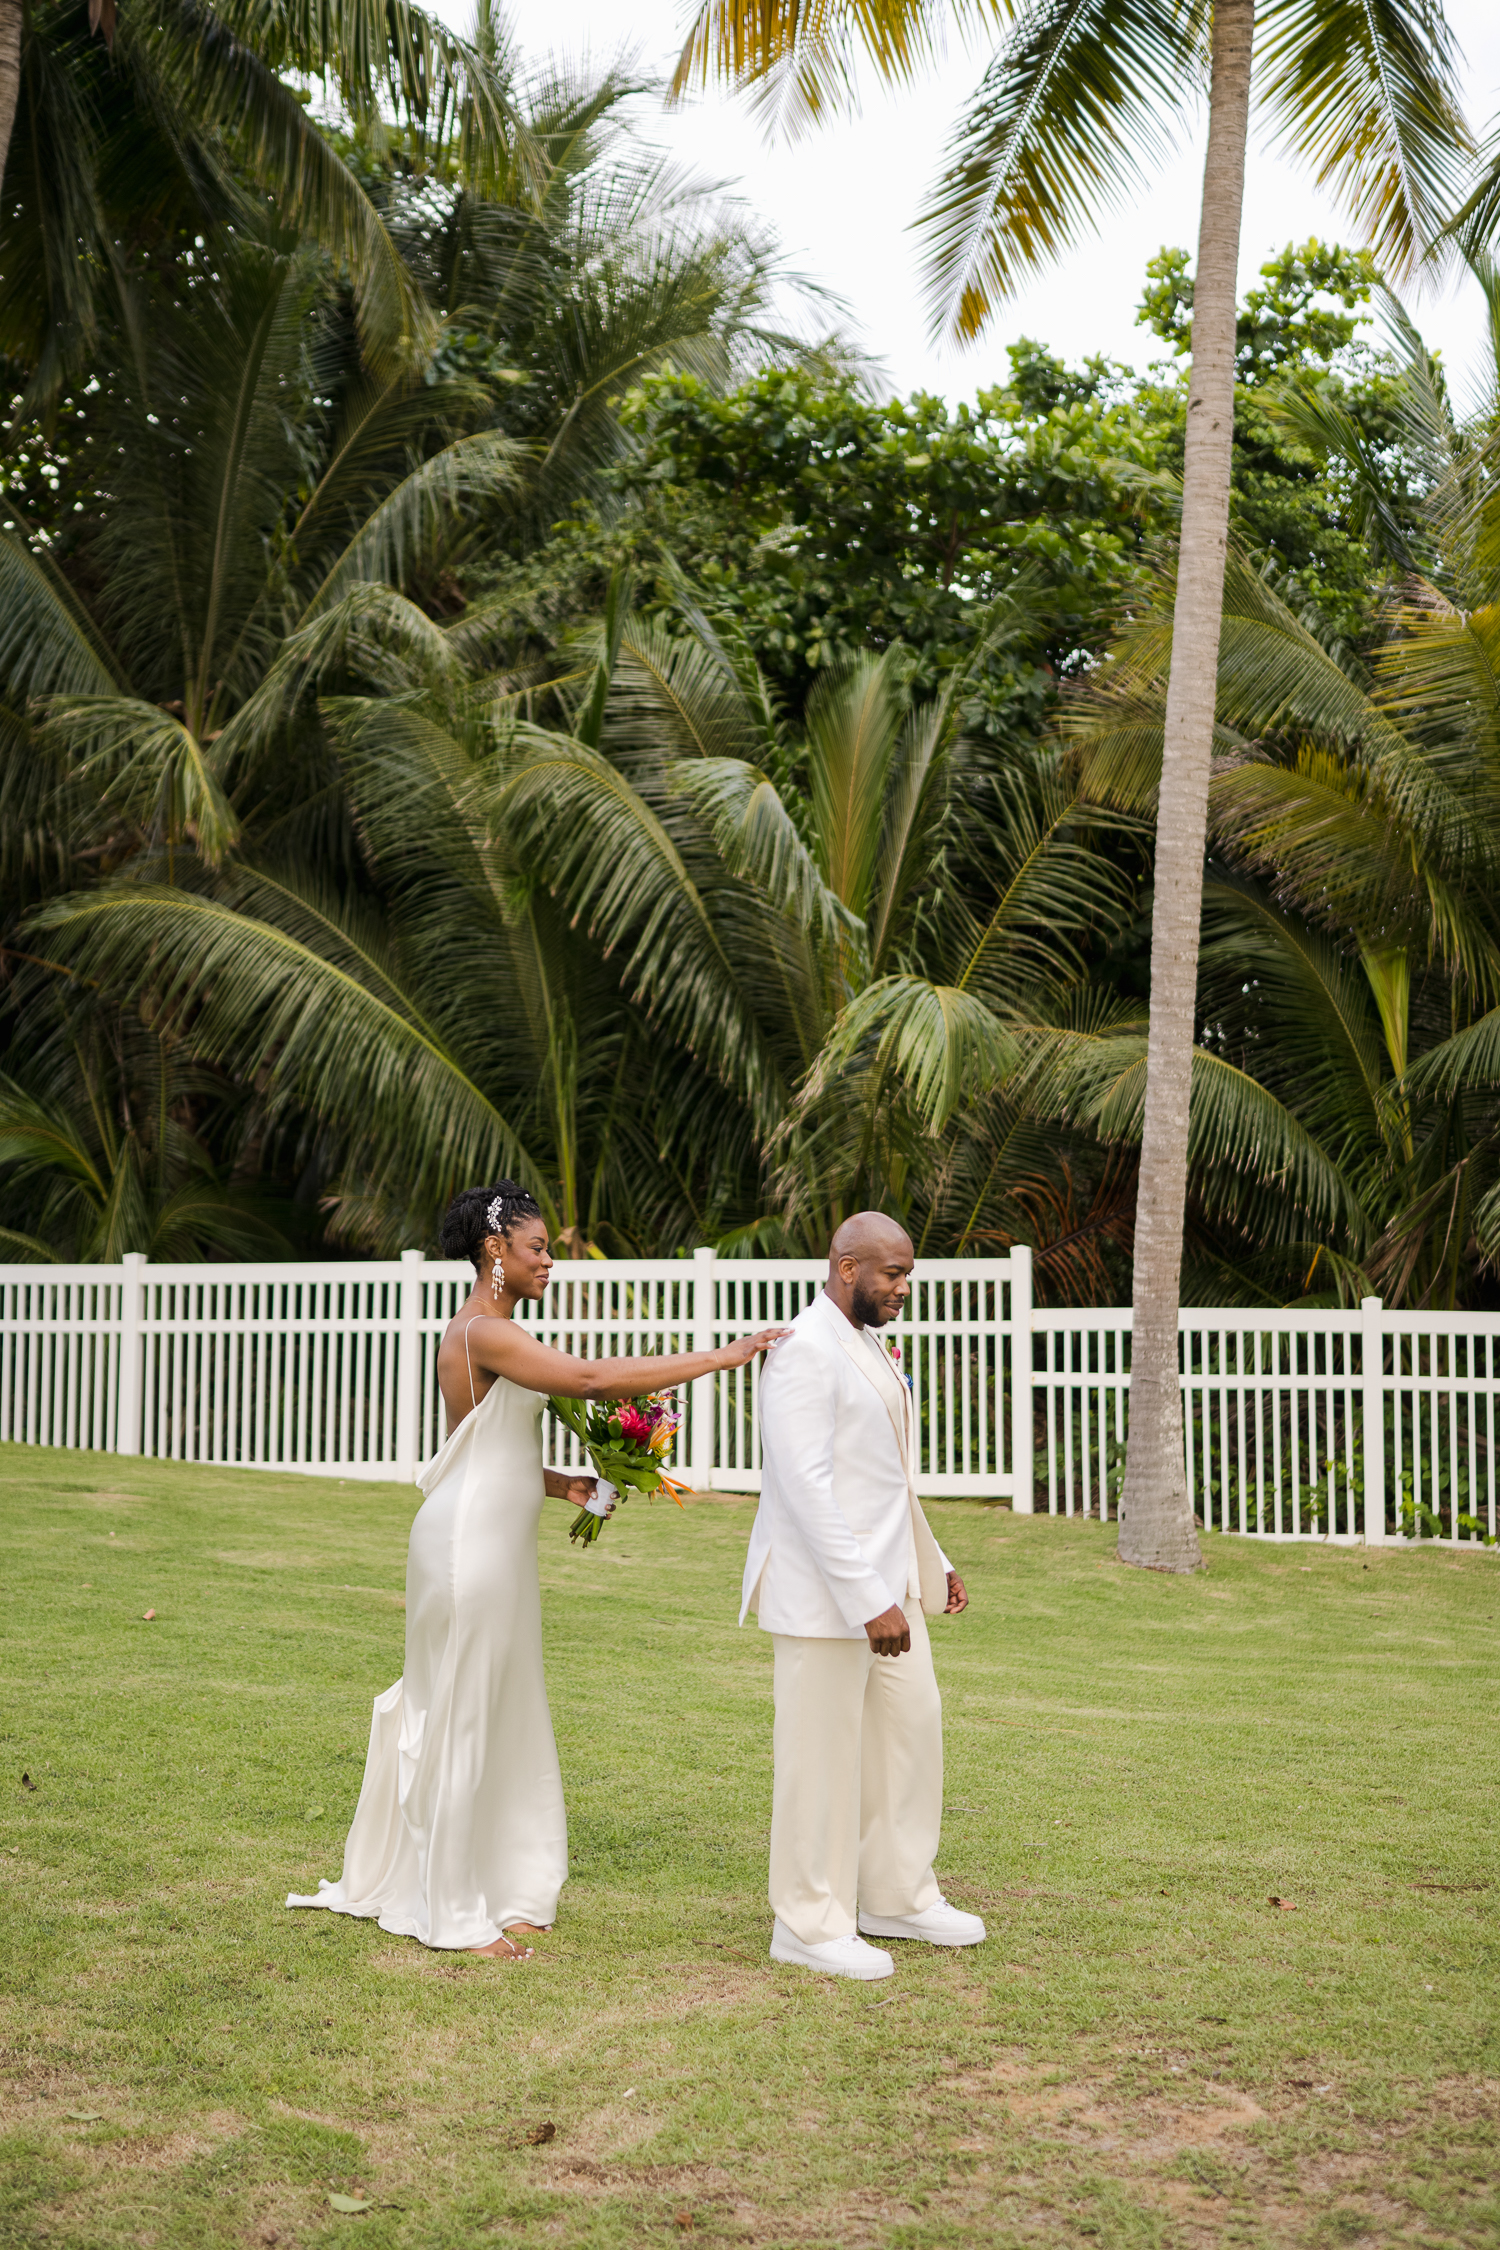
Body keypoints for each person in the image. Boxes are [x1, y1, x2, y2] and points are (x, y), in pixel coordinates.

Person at [289, 1182, 786, 1962]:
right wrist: (724, 1356)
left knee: (505, 1707)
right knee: (464, 1712)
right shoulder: (483, 1331)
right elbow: (587, 1381)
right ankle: (452, 1911)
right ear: (497, 1251)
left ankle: (510, 1887)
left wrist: (564, 1483)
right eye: (538, 1247)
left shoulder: (493, 1332)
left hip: (494, 1541)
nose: (550, 1259)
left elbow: (482, 1443)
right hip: (467, 1547)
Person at [742, 1212, 986, 1981]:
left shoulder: (867, 1341)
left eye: (908, 1274)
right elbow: (807, 1489)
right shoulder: (803, 1353)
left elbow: (884, 1479)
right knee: (820, 1759)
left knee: (912, 1734)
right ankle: (808, 1923)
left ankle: (894, 1894)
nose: (904, 1289)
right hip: (827, 1598)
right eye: (893, 1274)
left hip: (892, 1585)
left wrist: (931, 1560)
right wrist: (865, 1600)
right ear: (846, 1268)